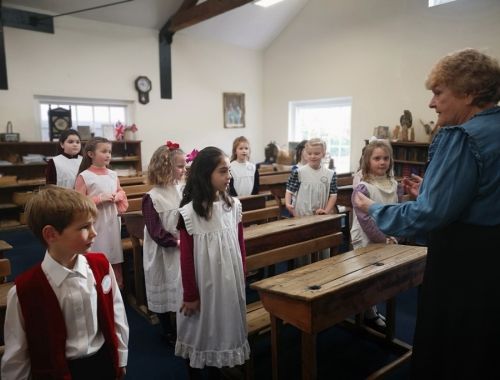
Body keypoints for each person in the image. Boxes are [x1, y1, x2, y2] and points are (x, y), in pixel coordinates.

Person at [353, 48, 500, 378]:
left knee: (452, 347)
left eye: (438, 92)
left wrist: (374, 208)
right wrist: (433, 194)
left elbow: (430, 214)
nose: (432, 104)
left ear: (469, 91)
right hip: (492, 259)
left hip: (464, 262)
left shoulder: (461, 135)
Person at [1, 186, 129, 380]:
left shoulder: (101, 266)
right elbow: (17, 355)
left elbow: (116, 313)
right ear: (51, 234)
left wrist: (121, 357)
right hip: (60, 372)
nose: (94, 232)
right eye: (84, 227)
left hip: (104, 363)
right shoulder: (24, 290)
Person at [175, 147, 250, 378]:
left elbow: (239, 243)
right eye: (223, 171)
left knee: (223, 324)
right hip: (202, 282)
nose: (229, 176)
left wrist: (242, 274)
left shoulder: (233, 205)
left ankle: (218, 363)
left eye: (229, 170)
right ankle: (197, 367)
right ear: (206, 174)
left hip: (229, 280)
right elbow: (186, 258)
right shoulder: (189, 213)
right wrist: (190, 295)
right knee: (200, 327)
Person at [350, 140, 403, 332]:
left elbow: (398, 210)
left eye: (386, 158)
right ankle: (368, 312)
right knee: (367, 276)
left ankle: (372, 309)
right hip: (367, 238)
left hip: (388, 237)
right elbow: (366, 220)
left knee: (382, 276)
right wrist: (383, 239)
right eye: (377, 158)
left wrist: (394, 235)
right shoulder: (363, 187)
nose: (382, 162)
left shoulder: (394, 184)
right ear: (367, 161)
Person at [142, 142, 186, 345]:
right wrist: (176, 241)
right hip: (163, 249)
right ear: (165, 168)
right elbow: (156, 231)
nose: (184, 170)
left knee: (180, 285)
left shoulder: (183, 189)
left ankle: (183, 327)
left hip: (181, 246)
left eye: (184, 165)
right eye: (180, 166)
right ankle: (167, 329)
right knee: (162, 283)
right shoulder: (152, 197)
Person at [75, 137, 128, 288]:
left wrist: (118, 196)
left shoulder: (112, 174)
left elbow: (120, 191)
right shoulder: (84, 176)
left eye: (109, 152)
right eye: (104, 151)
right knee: (98, 251)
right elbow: (78, 203)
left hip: (112, 219)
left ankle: (116, 286)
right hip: (95, 222)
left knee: (114, 252)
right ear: (91, 154)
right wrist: (99, 198)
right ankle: (97, 286)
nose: (108, 155)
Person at [285, 138, 337, 262]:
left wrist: (327, 211)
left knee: (321, 246)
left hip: (320, 215)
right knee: (303, 249)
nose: (313, 156)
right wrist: (288, 204)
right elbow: (289, 190)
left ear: (323, 154)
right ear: (305, 154)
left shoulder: (330, 174)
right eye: (310, 153)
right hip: (302, 214)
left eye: (317, 153)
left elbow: (333, 194)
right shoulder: (299, 172)